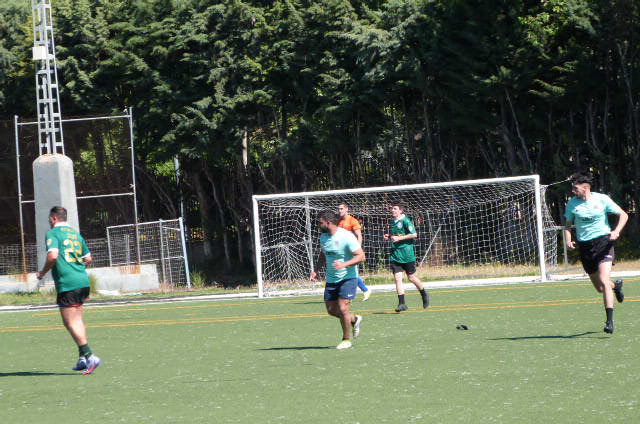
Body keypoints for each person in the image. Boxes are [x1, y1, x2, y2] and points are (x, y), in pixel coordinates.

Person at [36, 206, 102, 374]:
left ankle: (90, 356)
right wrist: (76, 267)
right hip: (83, 281)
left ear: (53, 218)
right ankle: (82, 358)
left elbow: (52, 256)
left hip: (68, 283)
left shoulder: (53, 233)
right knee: (77, 319)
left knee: (70, 322)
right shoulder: (75, 234)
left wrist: (42, 273)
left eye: (50, 219)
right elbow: (88, 258)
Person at [564, 172, 628, 334]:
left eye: (575, 188)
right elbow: (568, 225)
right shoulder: (572, 203)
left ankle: (609, 321)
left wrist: (616, 231)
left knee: (604, 280)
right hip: (586, 247)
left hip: (604, 243)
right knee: (600, 288)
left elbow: (623, 215)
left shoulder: (602, 199)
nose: (573, 191)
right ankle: (616, 286)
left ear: (585, 188)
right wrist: (568, 240)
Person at [310, 210, 365, 349]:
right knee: (331, 310)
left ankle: (346, 340)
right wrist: (316, 270)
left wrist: (344, 264)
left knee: (343, 308)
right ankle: (354, 319)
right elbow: (323, 254)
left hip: (348, 277)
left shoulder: (346, 236)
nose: (318, 225)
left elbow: (361, 256)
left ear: (328, 222)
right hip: (331, 279)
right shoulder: (323, 237)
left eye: (320, 223)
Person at [384, 202, 430, 312]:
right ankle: (402, 303)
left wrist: (399, 238)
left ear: (401, 210)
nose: (392, 210)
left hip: (407, 254)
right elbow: (397, 235)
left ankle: (424, 294)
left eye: (395, 208)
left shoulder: (406, 221)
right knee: (397, 278)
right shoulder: (393, 222)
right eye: (392, 208)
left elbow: (414, 234)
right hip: (396, 254)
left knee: (411, 278)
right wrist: (389, 236)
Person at [337, 201, 371, 301]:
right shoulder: (339, 222)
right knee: (346, 271)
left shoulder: (352, 221)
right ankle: (363, 290)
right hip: (343, 251)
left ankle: (364, 290)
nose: (340, 211)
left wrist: (358, 249)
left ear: (347, 209)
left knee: (351, 271)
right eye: (339, 209)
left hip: (352, 250)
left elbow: (359, 235)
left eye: (341, 209)